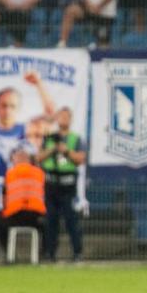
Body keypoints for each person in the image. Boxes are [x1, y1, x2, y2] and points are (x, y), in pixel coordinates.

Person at [38, 107, 86, 262]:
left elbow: (80, 159)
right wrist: (52, 149)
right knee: (50, 221)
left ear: (71, 119)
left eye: (66, 117)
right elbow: (39, 157)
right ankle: (49, 253)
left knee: (71, 220)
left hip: (68, 185)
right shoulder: (49, 138)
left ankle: (77, 253)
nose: (63, 119)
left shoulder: (76, 139)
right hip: (51, 184)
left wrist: (66, 151)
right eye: (61, 117)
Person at [0, 143, 45, 258]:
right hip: (36, 217)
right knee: (49, 223)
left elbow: (4, 198)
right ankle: (45, 255)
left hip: (14, 216)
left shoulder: (10, 174)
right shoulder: (39, 173)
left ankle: (9, 253)